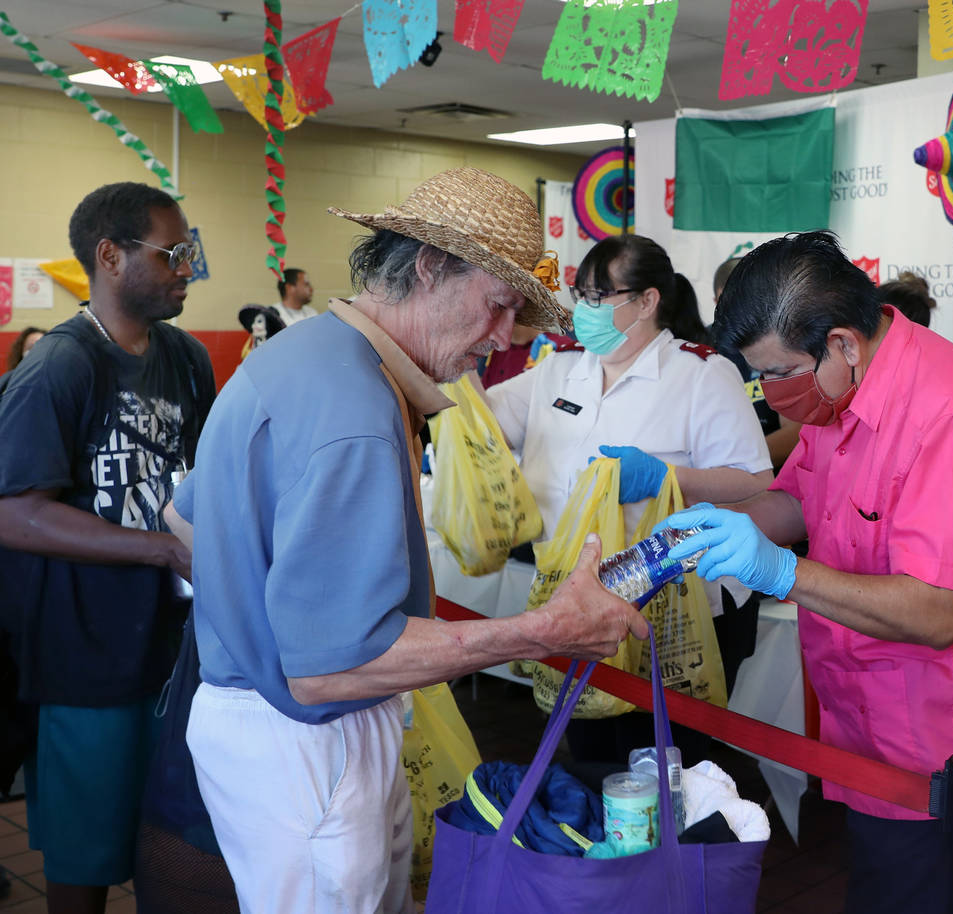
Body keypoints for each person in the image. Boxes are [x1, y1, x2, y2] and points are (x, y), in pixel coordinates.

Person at [168, 167, 648, 914]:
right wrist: (541, 631)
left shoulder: (302, 357)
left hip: (260, 726)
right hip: (309, 743)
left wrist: (254, 611)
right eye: (497, 307)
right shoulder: (355, 408)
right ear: (429, 268)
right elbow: (328, 671)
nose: (500, 339)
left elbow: (185, 516)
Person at [661, 232, 953, 914]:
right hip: (868, 730)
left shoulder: (945, 412)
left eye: (778, 372)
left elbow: (936, 612)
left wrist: (779, 570)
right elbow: (795, 498)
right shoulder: (837, 394)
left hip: (945, 747)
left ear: (841, 343)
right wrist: (717, 522)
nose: (769, 393)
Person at [0, 182, 215, 914]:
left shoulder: (186, 358)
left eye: (191, 252)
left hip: (177, 654)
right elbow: (16, 515)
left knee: (171, 846)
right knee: (85, 862)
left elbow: (199, 481)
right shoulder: (60, 368)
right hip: (87, 661)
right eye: (173, 253)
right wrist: (159, 550)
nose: (188, 267)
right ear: (110, 255)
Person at [484, 234, 773, 764]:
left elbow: (753, 480)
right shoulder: (555, 371)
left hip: (676, 605)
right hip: (580, 596)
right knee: (592, 755)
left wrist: (670, 477)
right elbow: (477, 425)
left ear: (647, 301)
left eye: (602, 297)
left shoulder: (700, 374)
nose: (587, 311)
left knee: (661, 766)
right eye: (582, 295)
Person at [713, 255, 798, 472]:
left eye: (745, 303)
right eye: (728, 305)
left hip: (773, 478)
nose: (739, 315)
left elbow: (797, 433)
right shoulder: (701, 347)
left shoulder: (783, 344)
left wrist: (740, 465)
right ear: (716, 303)